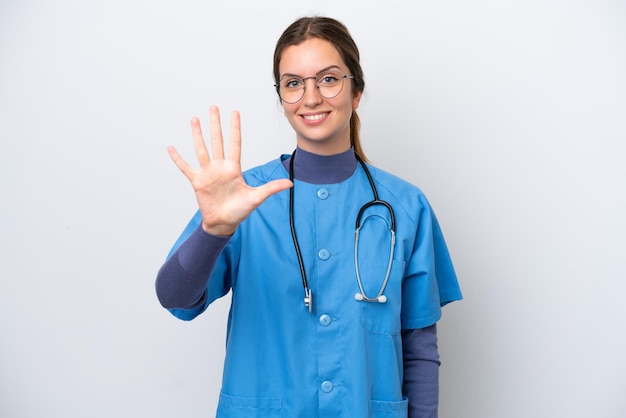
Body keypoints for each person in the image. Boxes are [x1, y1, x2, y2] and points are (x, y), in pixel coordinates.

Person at [156, 16, 462, 418]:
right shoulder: (243, 200)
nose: (311, 97)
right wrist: (213, 230)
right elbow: (175, 298)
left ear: (356, 92)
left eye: (329, 79)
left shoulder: (405, 207)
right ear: (282, 96)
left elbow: (419, 347)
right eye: (294, 83)